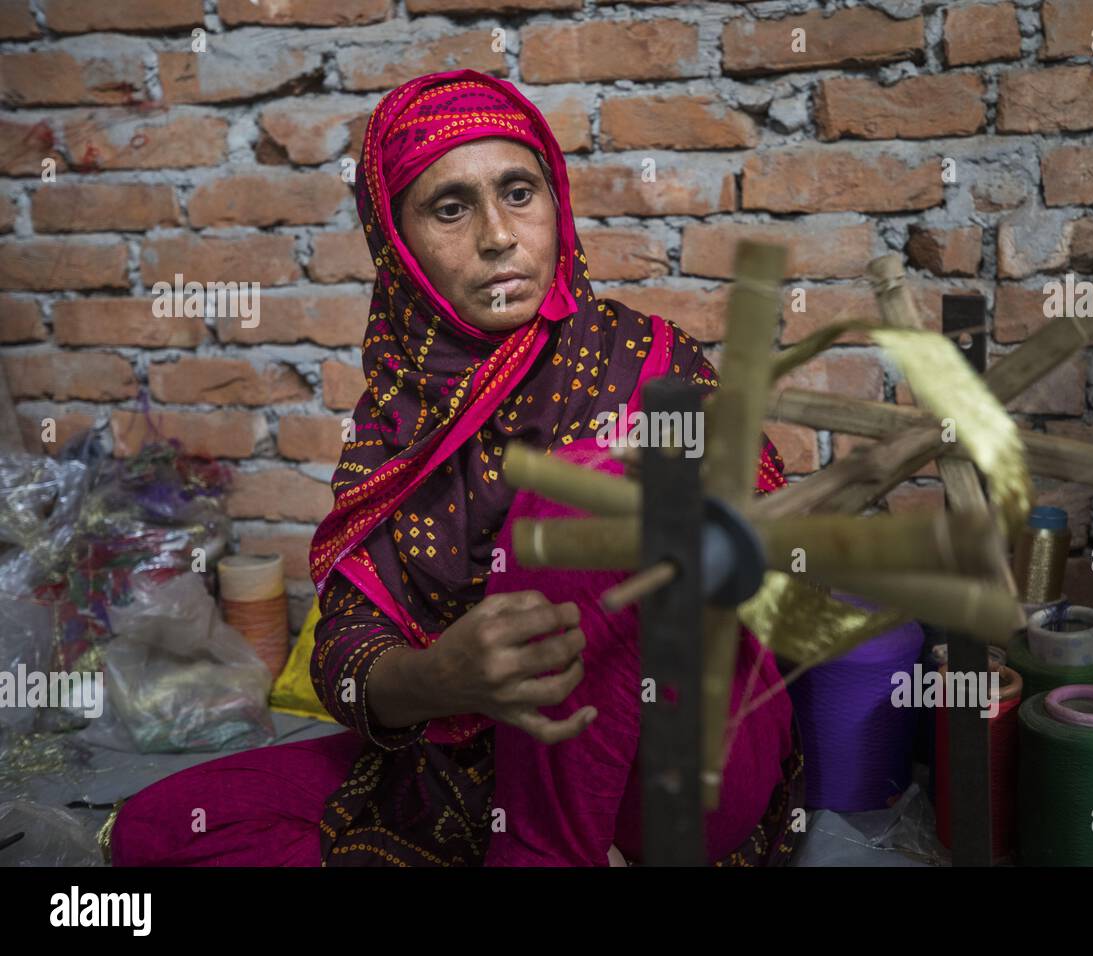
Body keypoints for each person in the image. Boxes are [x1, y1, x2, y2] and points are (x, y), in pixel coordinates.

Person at [108, 69, 804, 867]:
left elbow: (776, 586)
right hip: (473, 766)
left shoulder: (648, 362)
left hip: (668, 768)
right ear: (396, 246)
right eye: (449, 207)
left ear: (556, 205)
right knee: (161, 829)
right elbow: (346, 646)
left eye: (519, 193)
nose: (498, 235)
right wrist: (441, 678)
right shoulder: (396, 415)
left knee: (579, 500)